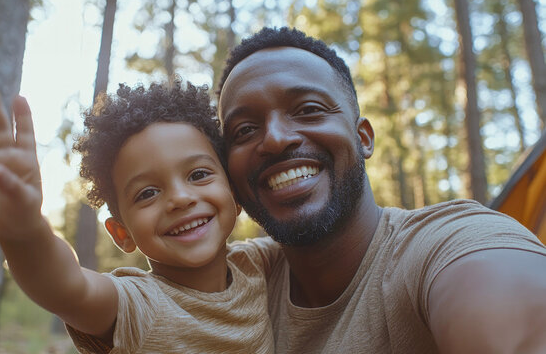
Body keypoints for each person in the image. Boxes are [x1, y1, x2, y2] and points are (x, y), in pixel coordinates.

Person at [216, 27, 546, 353]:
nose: (275, 138)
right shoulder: (239, 280)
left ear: (363, 138)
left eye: (308, 110)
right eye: (244, 130)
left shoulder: (448, 242)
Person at [0, 80, 274, 353]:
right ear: (121, 232)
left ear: (234, 193)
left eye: (198, 174)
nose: (180, 198)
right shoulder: (137, 307)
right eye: (147, 193)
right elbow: (67, 287)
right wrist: (24, 234)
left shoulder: (259, 264)